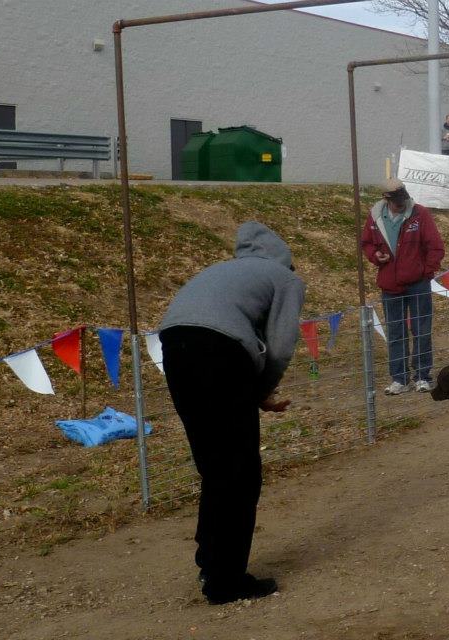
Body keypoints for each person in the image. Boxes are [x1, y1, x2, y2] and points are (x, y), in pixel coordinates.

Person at [158, 221, 305, 604]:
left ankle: (210, 561)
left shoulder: (222, 271)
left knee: (214, 463)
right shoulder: (283, 277)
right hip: (221, 352)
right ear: (283, 256)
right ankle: (227, 580)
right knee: (240, 470)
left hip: (173, 346)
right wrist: (261, 392)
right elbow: (281, 344)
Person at [361, 177, 445, 394]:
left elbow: (435, 246)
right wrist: (374, 255)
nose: (402, 204)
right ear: (386, 199)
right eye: (397, 201)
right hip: (390, 284)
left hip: (418, 284)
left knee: (421, 330)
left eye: (403, 199)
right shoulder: (374, 217)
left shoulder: (420, 214)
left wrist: (426, 272)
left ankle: (422, 376)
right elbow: (366, 243)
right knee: (396, 332)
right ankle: (399, 378)